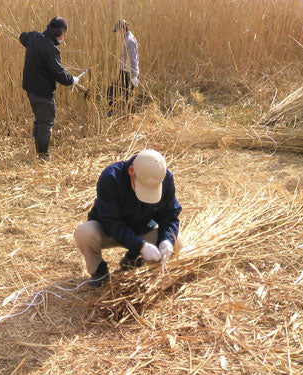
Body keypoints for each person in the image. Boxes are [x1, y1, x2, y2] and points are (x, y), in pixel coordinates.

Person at [74, 149, 182, 287]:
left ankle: (133, 259)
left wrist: (166, 240)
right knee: (84, 233)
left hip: (142, 230)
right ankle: (99, 271)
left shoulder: (165, 178)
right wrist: (140, 245)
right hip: (109, 231)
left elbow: (170, 215)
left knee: (177, 242)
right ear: (131, 172)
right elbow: (111, 222)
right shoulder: (111, 177)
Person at [19, 17, 81, 160]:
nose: (63, 38)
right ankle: (42, 156)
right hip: (43, 93)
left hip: (30, 89)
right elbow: (58, 74)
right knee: (45, 123)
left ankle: (38, 151)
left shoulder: (33, 36)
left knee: (39, 120)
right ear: (58, 32)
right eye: (63, 34)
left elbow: (22, 37)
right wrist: (72, 80)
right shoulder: (52, 49)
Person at [107, 19, 139, 116]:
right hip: (124, 72)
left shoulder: (129, 40)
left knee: (115, 93)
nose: (117, 34)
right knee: (125, 96)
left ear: (122, 30)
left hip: (128, 73)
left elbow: (133, 59)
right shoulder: (127, 38)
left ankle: (113, 114)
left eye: (117, 32)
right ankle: (116, 113)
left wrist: (134, 76)